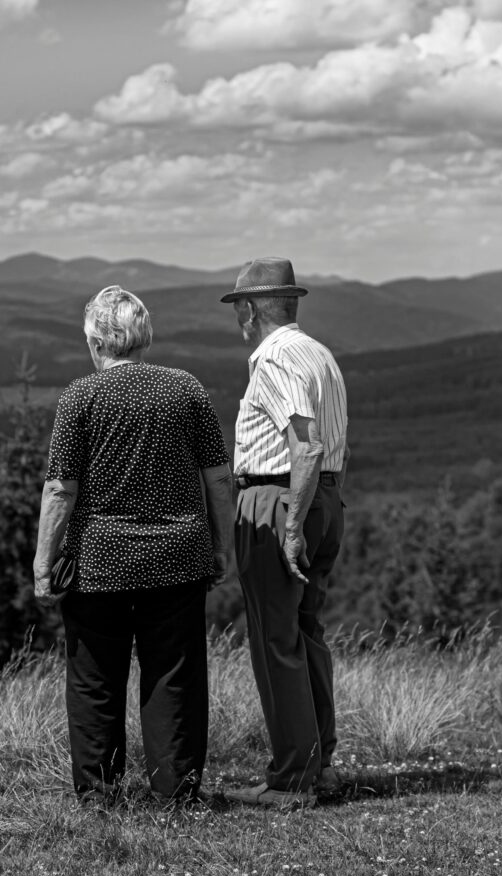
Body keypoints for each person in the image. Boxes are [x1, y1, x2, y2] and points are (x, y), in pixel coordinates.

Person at [34, 285, 233, 805]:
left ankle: (99, 795)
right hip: (178, 556)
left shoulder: (82, 396)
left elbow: (61, 487)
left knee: (95, 678)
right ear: (142, 337)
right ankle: (176, 794)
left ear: (98, 341)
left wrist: (43, 561)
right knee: (174, 678)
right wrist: (220, 546)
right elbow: (217, 478)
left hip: (99, 561)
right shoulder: (186, 389)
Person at [221, 257, 349, 810]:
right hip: (326, 497)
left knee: (276, 641)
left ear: (249, 309)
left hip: (279, 499)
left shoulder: (272, 360)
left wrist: (290, 523)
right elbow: (324, 448)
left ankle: (292, 778)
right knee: (306, 630)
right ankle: (319, 764)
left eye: (237, 309)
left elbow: (306, 443)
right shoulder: (319, 354)